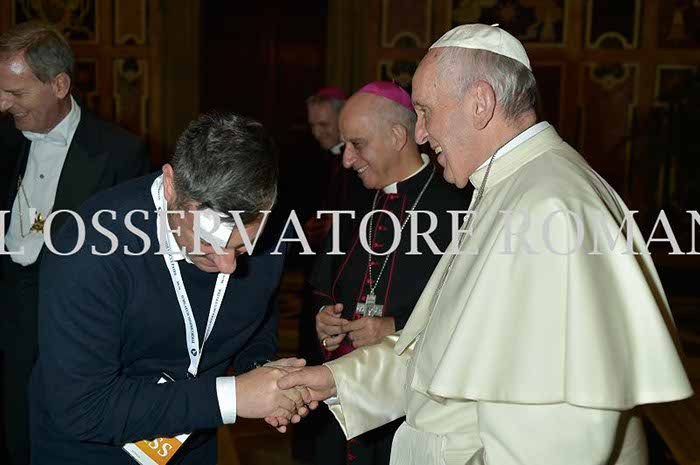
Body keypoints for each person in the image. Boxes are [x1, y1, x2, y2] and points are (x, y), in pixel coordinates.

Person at [278, 24, 694, 465]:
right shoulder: (509, 186)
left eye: (425, 111)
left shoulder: (549, 206)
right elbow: (440, 349)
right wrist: (336, 380)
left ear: (480, 103)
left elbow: (556, 439)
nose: (420, 134)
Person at [30, 112, 310, 465]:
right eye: (207, 242)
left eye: (243, 246)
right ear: (171, 186)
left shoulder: (274, 231)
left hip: (192, 442)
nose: (229, 265)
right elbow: (82, 407)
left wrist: (265, 373)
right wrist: (233, 397)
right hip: (92, 449)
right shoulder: (88, 247)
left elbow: (255, 317)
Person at [0, 21, 149, 465]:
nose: (3, 103)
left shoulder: (120, 152)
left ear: (59, 85)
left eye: (16, 93)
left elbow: (134, 259)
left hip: (75, 328)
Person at [308, 81, 467, 465]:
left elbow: (473, 308)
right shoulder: (354, 197)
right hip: (345, 392)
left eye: (357, 145)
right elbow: (328, 279)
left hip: (413, 403)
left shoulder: (458, 206)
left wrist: (397, 327)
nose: (347, 160)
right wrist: (326, 316)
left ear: (397, 136)